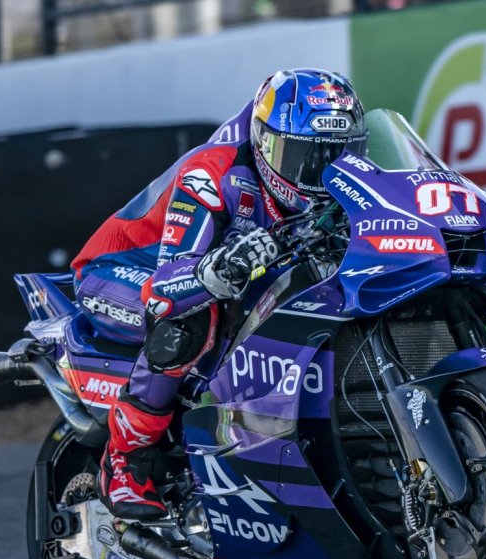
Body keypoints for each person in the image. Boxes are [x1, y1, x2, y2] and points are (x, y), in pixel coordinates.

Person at [70, 68, 367, 520]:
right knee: (191, 317)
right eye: (309, 159)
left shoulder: (326, 190)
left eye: (339, 157)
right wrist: (222, 266)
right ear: (267, 145)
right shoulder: (214, 171)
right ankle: (126, 463)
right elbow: (165, 289)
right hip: (121, 271)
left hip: (196, 277)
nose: (324, 175)